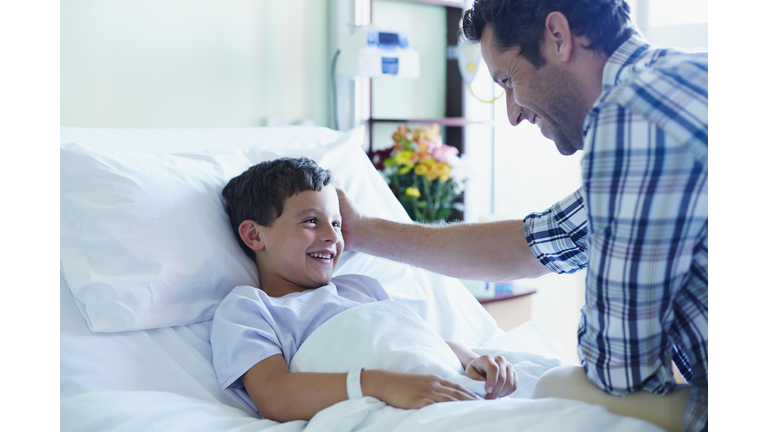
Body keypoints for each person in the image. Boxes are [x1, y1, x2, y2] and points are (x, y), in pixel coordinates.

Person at [336, 1, 707, 431]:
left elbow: (618, 369)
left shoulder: (628, 114)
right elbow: (539, 243)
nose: (512, 114)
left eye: (509, 80)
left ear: (558, 37)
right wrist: (362, 231)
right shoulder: (689, 83)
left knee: (554, 393)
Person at [209, 157, 518, 423]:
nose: (332, 236)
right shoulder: (251, 309)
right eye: (311, 221)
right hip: (393, 407)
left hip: (450, 387)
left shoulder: (357, 286)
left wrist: (473, 359)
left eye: (337, 223)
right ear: (254, 235)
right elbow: (274, 395)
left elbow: (415, 341)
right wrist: (381, 384)